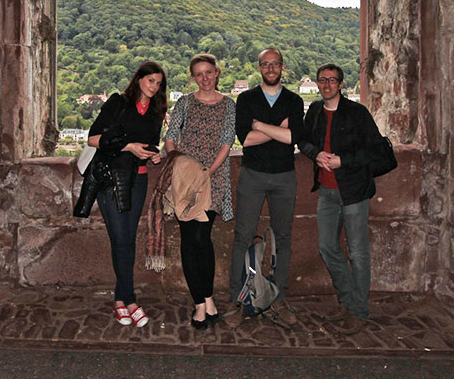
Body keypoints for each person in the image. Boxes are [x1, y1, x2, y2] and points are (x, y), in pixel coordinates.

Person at [298, 63, 383, 334]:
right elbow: (303, 140)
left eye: (332, 80)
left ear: (341, 84)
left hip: (354, 191)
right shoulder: (313, 111)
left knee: (358, 253)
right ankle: (348, 301)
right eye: (322, 80)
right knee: (327, 247)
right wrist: (316, 154)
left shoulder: (357, 113)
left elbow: (375, 150)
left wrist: (342, 161)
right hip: (326, 191)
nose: (326, 85)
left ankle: (358, 311)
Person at [228, 47, 304, 328]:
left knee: (283, 237)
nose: (270, 69)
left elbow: (293, 137)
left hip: (284, 177)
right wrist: (277, 130)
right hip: (253, 175)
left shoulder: (294, 100)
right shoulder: (246, 99)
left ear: (282, 67)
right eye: (265, 64)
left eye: (275, 64)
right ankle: (238, 299)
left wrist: (260, 125)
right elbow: (245, 140)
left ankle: (279, 297)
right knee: (242, 236)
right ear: (259, 67)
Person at [87, 61, 166, 328]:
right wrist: (129, 146)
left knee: (127, 240)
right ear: (139, 79)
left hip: (139, 178)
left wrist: (153, 154)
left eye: (158, 83)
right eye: (150, 80)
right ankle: (130, 300)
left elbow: (150, 142)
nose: (154, 86)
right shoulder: (118, 103)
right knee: (121, 239)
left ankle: (119, 300)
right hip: (111, 179)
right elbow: (92, 138)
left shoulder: (156, 111)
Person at [164, 54, 236, 330]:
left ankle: (206, 298)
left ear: (217, 73)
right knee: (188, 239)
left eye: (209, 72)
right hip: (184, 180)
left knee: (201, 238)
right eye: (199, 74)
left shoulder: (229, 105)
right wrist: (181, 165)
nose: (204, 78)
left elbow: (227, 142)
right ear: (193, 77)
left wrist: (207, 173)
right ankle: (201, 303)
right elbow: (171, 137)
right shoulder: (184, 102)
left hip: (213, 179)